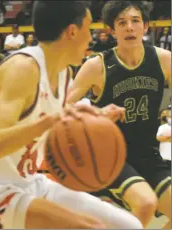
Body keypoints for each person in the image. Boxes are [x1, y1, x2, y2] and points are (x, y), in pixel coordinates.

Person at [0, 1, 142, 229]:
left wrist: (96, 115)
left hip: (30, 184)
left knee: (129, 225)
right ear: (72, 32)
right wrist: (49, 121)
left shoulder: (64, 73)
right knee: (92, 228)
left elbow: (52, 116)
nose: (91, 38)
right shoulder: (22, 68)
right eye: (89, 28)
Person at [67, 1, 171, 228]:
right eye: (122, 23)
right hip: (111, 156)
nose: (129, 27)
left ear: (145, 27)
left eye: (135, 21)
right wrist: (94, 114)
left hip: (147, 154)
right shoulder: (96, 66)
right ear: (112, 31)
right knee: (145, 204)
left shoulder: (164, 59)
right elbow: (62, 107)